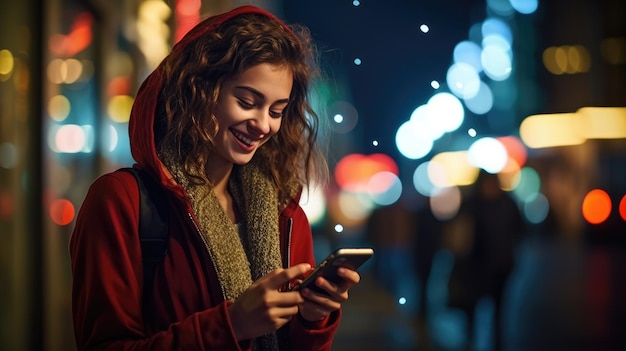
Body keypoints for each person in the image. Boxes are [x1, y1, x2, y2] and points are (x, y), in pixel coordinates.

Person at [69, 5, 361, 350]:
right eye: (247, 101)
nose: (264, 125)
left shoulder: (286, 215)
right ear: (198, 89)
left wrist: (313, 319)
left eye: (277, 111)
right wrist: (232, 324)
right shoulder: (121, 201)